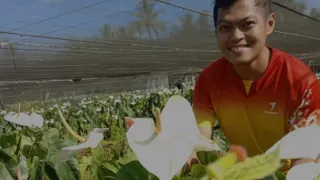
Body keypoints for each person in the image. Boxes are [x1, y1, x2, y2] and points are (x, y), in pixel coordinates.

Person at [190, 0, 320, 174]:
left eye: (247, 24)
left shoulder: (298, 80)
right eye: (225, 27)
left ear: (269, 24)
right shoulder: (208, 80)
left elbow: (304, 154)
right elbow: (198, 139)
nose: (236, 36)